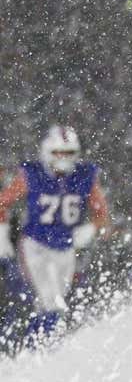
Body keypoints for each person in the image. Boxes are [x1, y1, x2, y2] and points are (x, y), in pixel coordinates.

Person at [0, 126, 111, 344]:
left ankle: (44, 345)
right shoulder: (32, 175)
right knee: (47, 299)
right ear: (47, 152)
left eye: (68, 153)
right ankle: (34, 348)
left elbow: (102, 215)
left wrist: (92, 228)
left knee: (57, 301)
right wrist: (2, 234)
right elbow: (2, 202)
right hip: (35, 244)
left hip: (66, 247)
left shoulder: (84, 176)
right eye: (58, 152)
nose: (63, 158)